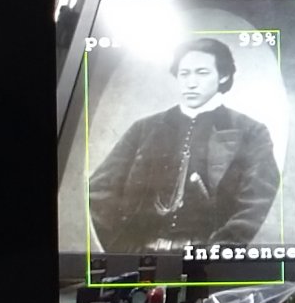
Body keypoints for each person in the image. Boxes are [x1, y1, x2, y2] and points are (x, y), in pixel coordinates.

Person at [88, 37, 280, 254]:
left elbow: (256, 204)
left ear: (223, 76)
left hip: (208, 263)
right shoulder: (144, 128)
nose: (191, 83)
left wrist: (216, 254)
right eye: (184, 73)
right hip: (139, 258)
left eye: (202, 73)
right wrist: (121, 249)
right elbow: (98, 192)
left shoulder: (251, 131)